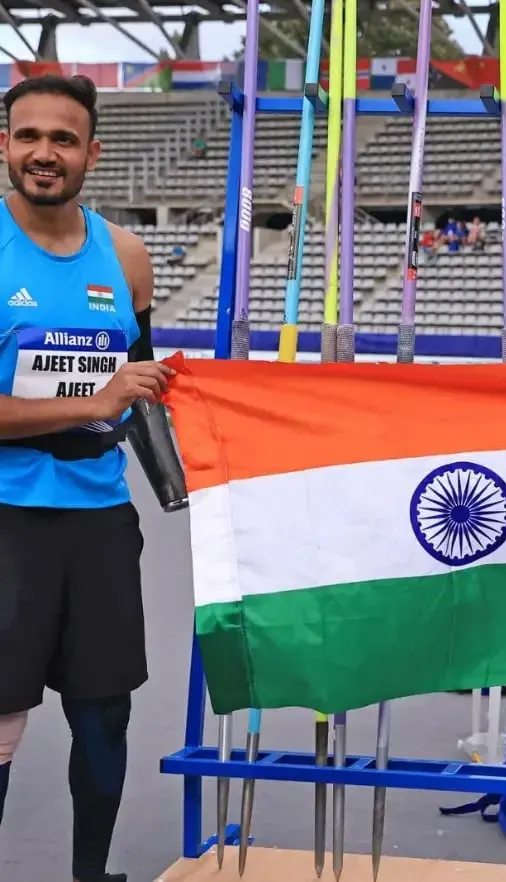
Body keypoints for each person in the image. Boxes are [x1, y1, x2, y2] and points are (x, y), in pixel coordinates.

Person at [0, 74, 187, 882]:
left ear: (92, 153)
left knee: (106, 714)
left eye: (63, 139)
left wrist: (188, 482)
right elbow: (109, 391)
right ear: (5, 144)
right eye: (28, 135)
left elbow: (140, 389)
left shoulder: (129, 257)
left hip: (101, 521)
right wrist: (94, 397)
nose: (45, 152)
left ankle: (90, 874)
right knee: (1, 724)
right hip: (7, 520)